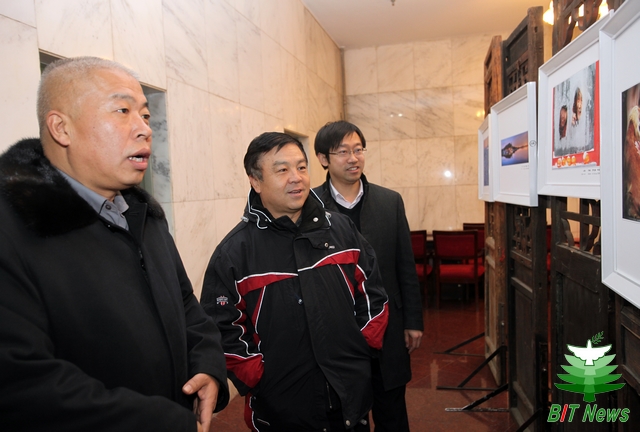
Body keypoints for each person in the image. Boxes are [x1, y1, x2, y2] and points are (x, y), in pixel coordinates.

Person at [0, 56, 229, 432]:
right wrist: (166, 422)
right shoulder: (14, 226)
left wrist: (207, 366)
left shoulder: (143, 215)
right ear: (61, 128)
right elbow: (21, 385)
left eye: (145, 115)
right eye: (122, 111)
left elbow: (186, 305)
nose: (144, 129)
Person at [201, 132, 389, 431]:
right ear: (255, 181)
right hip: (281, 408)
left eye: (302, 167)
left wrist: (360, 349)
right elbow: (222, 328)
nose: (296, 178)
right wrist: (260, 375)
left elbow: (373, 293)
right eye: (282, 170)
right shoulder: (234, 253)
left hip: (350, 400)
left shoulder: (341, 230)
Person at [313, 121, 424, 432]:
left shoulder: (390, 202)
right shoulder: (310, 206)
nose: (353, 158)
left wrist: (413, 321)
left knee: (392, 413)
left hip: (388, 326)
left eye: (358, 149)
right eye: (343, 152)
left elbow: (405, 265)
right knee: (347, 415)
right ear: (323, 159)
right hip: (337, 332)